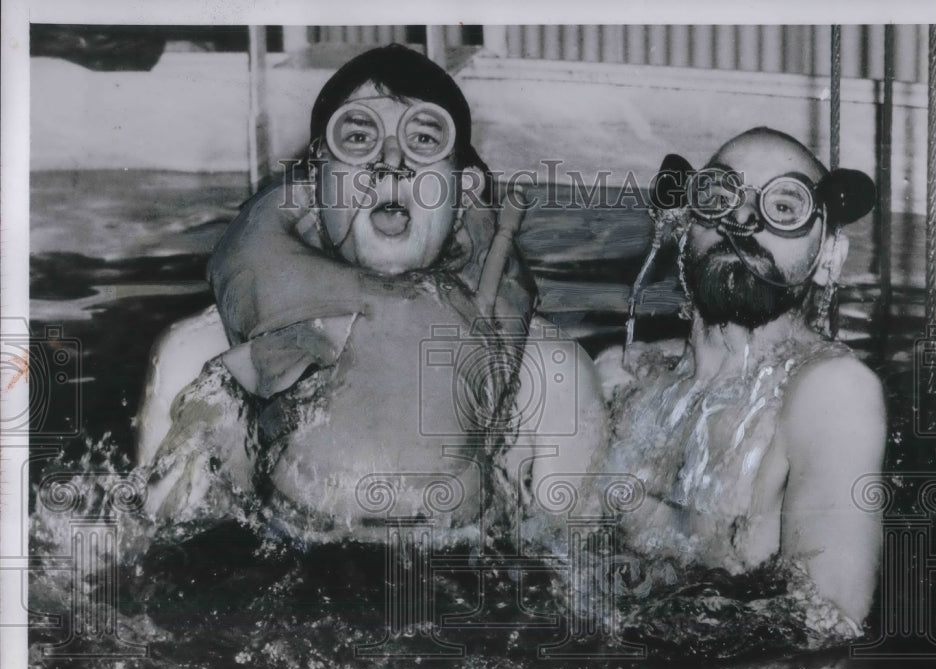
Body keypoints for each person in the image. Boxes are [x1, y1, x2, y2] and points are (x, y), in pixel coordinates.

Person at [135, 45, 606, 546]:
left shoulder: (548, 378)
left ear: (465, 189)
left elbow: (583, 582)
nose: (392, 162)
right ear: (316, 183)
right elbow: (157, 562)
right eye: (357, 137)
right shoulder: (201, 359)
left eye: (424, 138)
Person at [596, 127, 884, 627]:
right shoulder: (621, 377)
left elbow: (826, 633)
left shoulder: (830, 392)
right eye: (717, 196)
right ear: (684, 228)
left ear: (828, 258)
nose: (743, 218)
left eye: (785, 206)